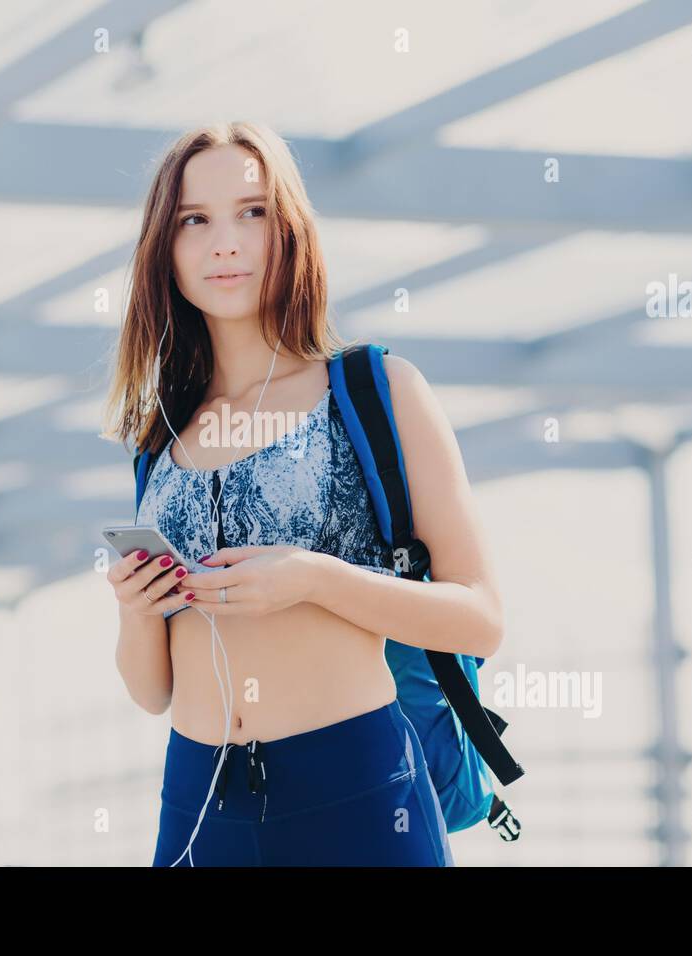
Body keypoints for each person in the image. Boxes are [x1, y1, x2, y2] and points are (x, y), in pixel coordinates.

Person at [101, 121, 504, 866]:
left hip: (354, 790)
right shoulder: (158, 435)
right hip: (197, 800)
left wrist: (314, 580)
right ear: (166, 246)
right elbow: (151, 690)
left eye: (251, 211)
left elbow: (479, 620)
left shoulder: (377, 390)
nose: (226, 242)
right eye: (195, 220)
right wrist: (135, 611)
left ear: (290, 229)